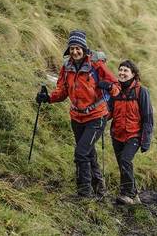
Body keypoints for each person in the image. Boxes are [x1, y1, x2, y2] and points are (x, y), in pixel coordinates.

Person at [36, 30, 119, 198]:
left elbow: (116, 87)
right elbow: (62, 91)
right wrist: (47, 98)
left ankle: (84, 192)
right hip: (77, 117)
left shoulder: (96, 65)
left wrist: (109, 87)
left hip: (97, 116)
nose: (75, 51)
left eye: (78, 48)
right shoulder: (66, 67)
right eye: (72, 48)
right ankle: (99, 189)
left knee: (81, 152)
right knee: (88, 152)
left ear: (84, 48)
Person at [107, 60, 154, 205]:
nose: (122, 73)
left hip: (134, 135)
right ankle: (134, 195)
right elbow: (108, 112)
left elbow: (148, 118)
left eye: (126, 70)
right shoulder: (115, 91)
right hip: (117, 134)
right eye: (120, 70)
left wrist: (145, 141)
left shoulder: (141, 92)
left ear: (133, 74)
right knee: (122, 165)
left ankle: (128, 195)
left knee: (125, 161)